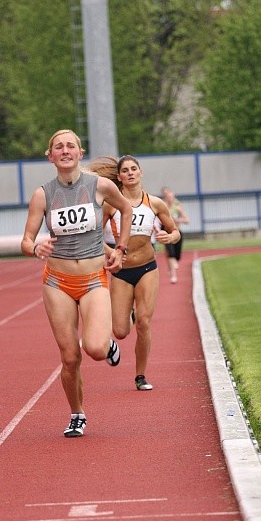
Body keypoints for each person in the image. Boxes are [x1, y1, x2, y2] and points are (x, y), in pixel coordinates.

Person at [21, 129, 132, 438]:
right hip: (57, 282)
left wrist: (120, 250)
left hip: (94, 278)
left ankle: (107, 344)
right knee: (70, 357)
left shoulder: (101, 185)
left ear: (80, 153)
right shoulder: (43, 194)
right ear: (51, 155)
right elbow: (26, 241)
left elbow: (125, 208)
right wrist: (35, 247)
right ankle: (77, 413)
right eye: (59, 147)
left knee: (95, 348)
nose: (65, 150)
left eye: (71, 146)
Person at [87, 155, 181, 392]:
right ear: (119, 177)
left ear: (141, 173)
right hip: (121, 271)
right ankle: (127, 316)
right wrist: (111, 251)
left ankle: (140, 375)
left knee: (145, 322)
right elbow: (94, 235)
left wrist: (170, 237)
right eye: (125, 170)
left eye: (133, 169)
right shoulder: (112, 205)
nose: (130, 173)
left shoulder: (155, 203)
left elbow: (175, 231)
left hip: (147, 267)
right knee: (120, 332)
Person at [160, 186, 189, 283]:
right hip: (167, 232)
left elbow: (187, 220)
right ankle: (173, 275)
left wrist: (178, 220)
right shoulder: (163, 206)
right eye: (166, 196)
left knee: (177, 256)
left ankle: (172, 266)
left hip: (177, 232)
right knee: (171, 254)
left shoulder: (178, 207)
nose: (169, 198)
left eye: (170, 196)